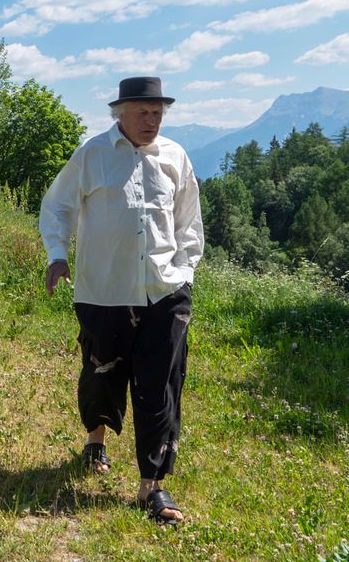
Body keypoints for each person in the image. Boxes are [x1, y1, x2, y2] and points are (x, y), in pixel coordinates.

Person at [38, 76, 204, 526]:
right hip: (104, 290)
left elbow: (189, 222)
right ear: (120, 114)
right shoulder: (93, 154)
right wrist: (58, 254)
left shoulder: (175, 157)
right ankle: (96, 440)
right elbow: (56, 207)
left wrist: (185, 273)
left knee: (160, 385)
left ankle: (153, 484)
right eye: (142, 113)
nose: (152, 121)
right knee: (101, 371)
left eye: (158, 113)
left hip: (165, 291)